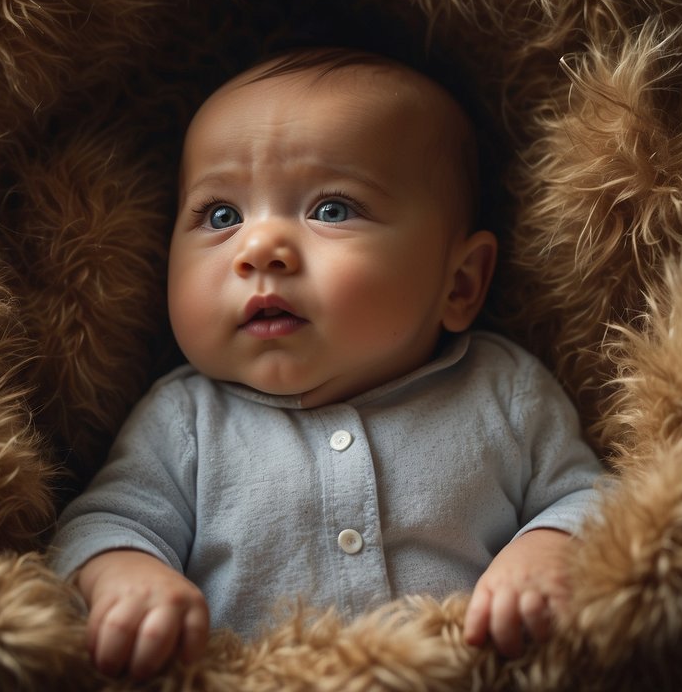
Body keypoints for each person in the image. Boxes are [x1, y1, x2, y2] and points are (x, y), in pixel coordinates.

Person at [48, 48, 603, 680]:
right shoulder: (186, 419)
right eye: (221, 215)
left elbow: (593, 498)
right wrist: (127, 577)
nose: (261, 248)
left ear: (460, 284)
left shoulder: (503, 392)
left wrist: (547, 547)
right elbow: (101, 523)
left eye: (331, 209)